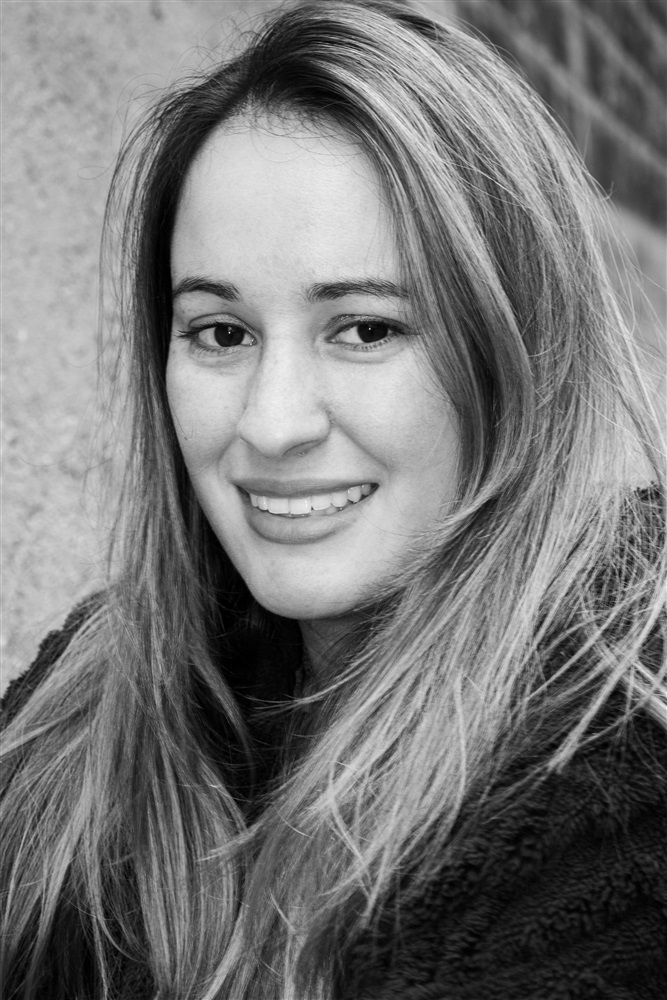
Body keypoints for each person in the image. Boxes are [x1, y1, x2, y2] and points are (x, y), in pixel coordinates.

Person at [1, 1, 665, 997]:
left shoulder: (612, 783)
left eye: (364, 328)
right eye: (221, 333)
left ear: (515, 353)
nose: (271, 425)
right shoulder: (84, 707)